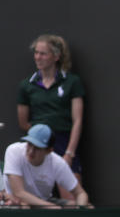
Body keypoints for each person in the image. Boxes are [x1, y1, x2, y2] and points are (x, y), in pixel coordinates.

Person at [17, 34, 86, 199]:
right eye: (36, 52)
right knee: (29, 199)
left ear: (56, 56)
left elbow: (77, 121)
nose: (37, 57)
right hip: (37, 145)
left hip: (64, 143)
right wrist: (39, 138)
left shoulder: (72, 82)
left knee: (73, 201)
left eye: (43, 53)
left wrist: (69, 153)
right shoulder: (26, 85)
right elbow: (23, 122)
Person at [2, 124, 91, 208]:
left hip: (44, 202)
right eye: (29, 144)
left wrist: (81, 209)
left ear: (49, 151)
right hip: (17, 202)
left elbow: (80, 193)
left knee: (88, 207)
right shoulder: (13, 150)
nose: (31, 151)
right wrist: (51, 207)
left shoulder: (57, 162)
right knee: (25, 206)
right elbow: (18, 193)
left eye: (37, 148)